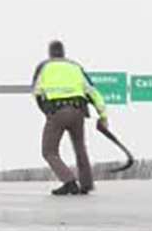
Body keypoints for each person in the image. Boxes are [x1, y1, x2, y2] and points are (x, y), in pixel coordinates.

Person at [32, 40, 108, 196]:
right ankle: (86, 184)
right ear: (63, 52)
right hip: (78, 111)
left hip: (57, 111)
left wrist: (47, 112)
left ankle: (69, 181)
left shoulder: (44, 67)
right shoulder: (75, 67)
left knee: (49, 151)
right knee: (80, 148)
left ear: (50, 53)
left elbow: (37, 92)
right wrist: (103, 115)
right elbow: (92, 92)